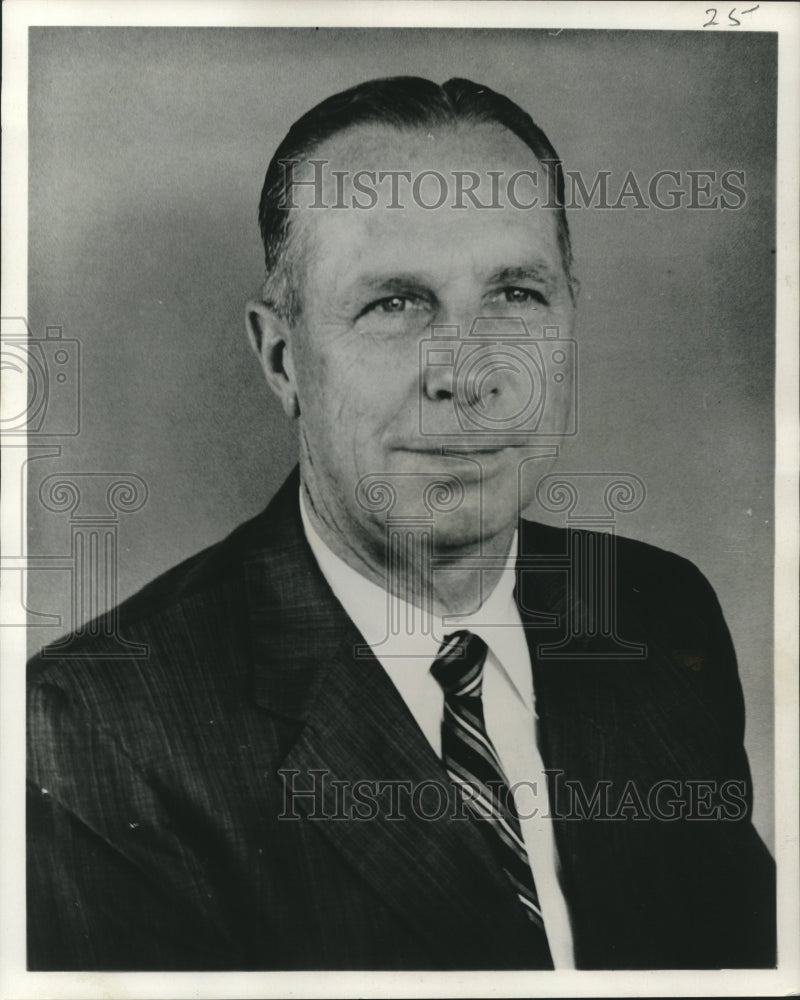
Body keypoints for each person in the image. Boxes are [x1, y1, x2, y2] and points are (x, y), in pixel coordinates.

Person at [27, 76, 775, 971]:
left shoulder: (659, 611)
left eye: (516, 295)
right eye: (394, 304)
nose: (468, 373)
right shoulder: (93, 729)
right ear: (281, 359)